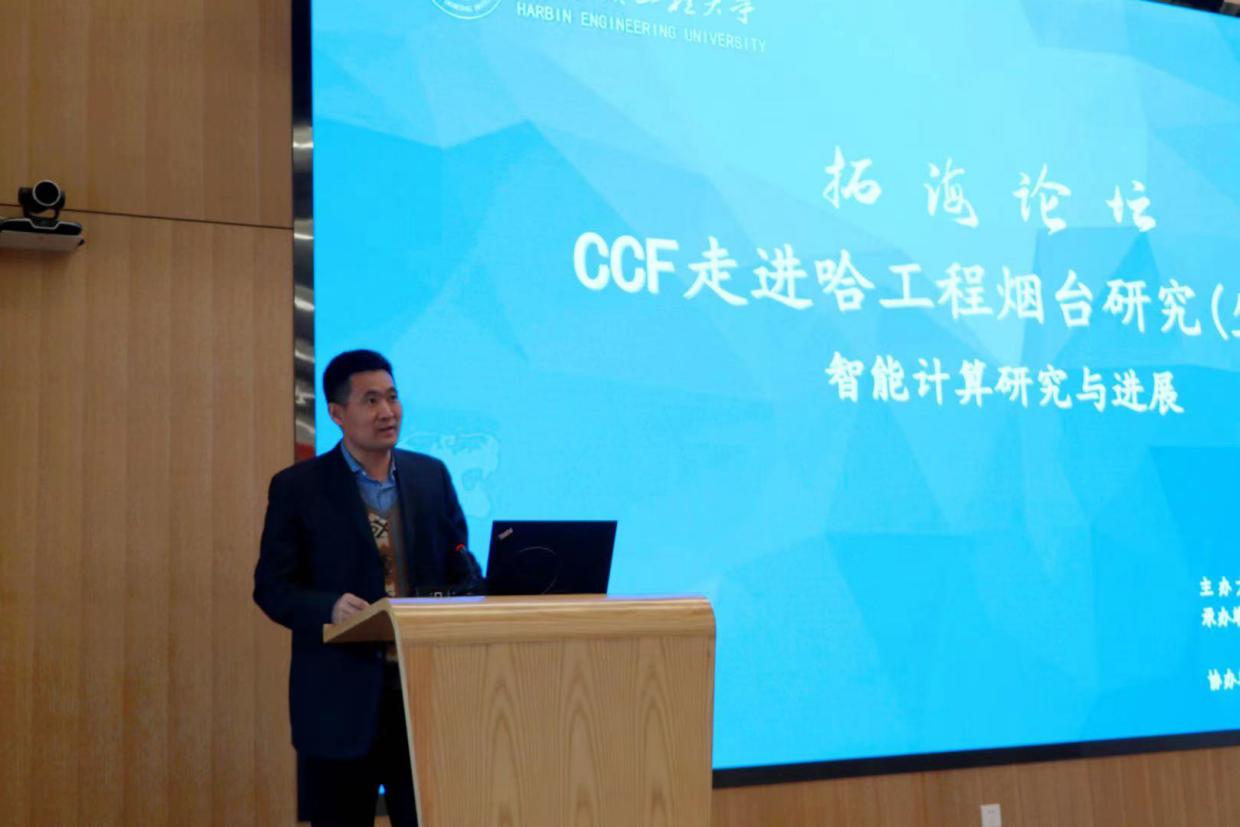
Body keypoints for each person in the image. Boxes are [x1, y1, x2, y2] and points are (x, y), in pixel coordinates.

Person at [253, 349, 482, 827]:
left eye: (392, 398)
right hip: (339, 703)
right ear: (337, 413)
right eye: (371, 400)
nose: (387, 412)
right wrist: (329, 607)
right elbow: (272, 588)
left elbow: (461, 566)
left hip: (424, 698)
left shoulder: (430, 476)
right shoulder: (298, 488)